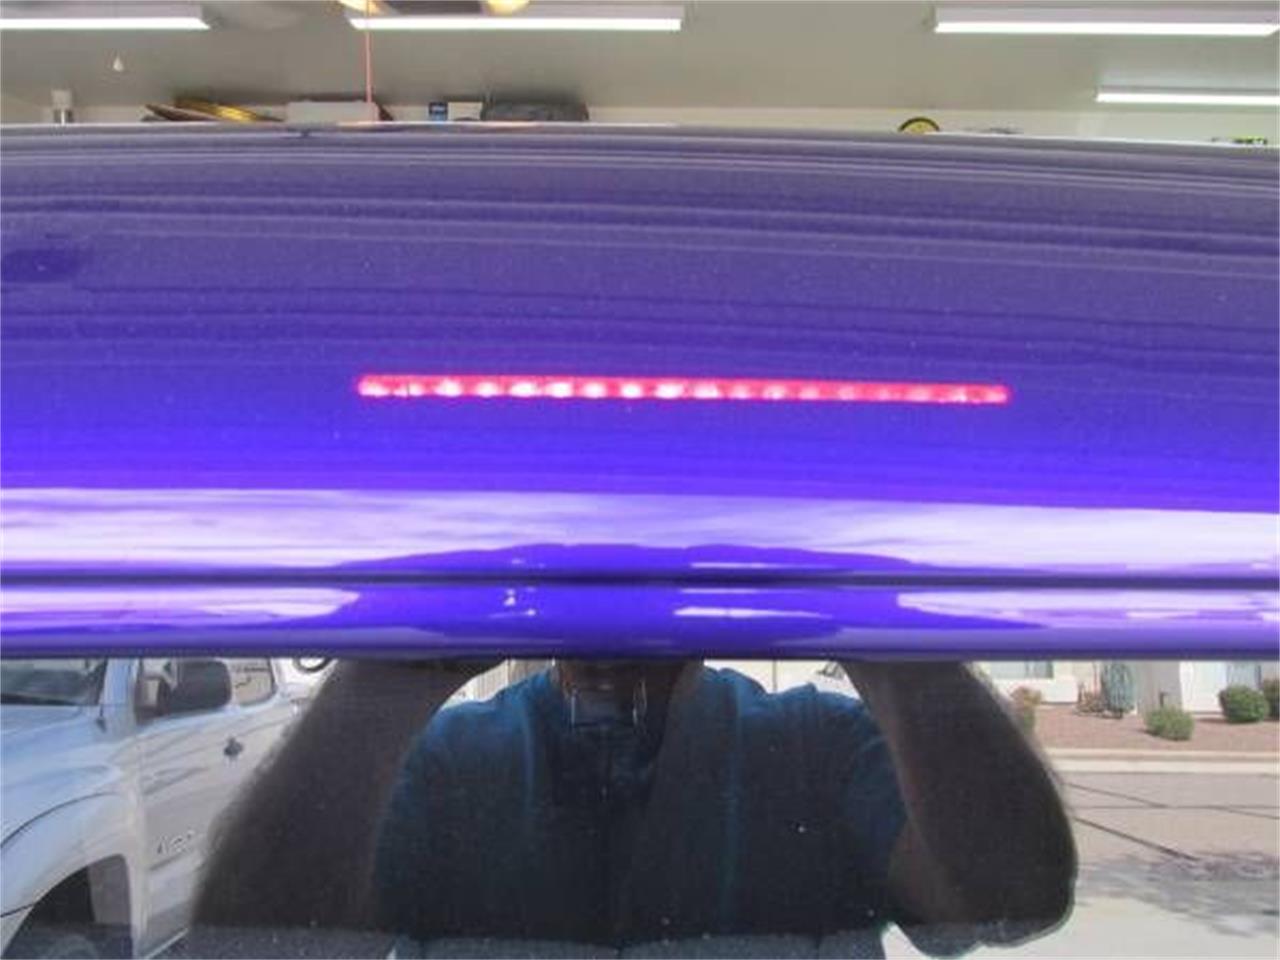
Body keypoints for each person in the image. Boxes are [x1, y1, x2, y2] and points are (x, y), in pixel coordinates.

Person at [194, 658, 1075, 954]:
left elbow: (1014, 897)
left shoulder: (822, 746)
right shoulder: (449, 763)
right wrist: (384, 682)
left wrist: (891, 648)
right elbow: (256, 946)